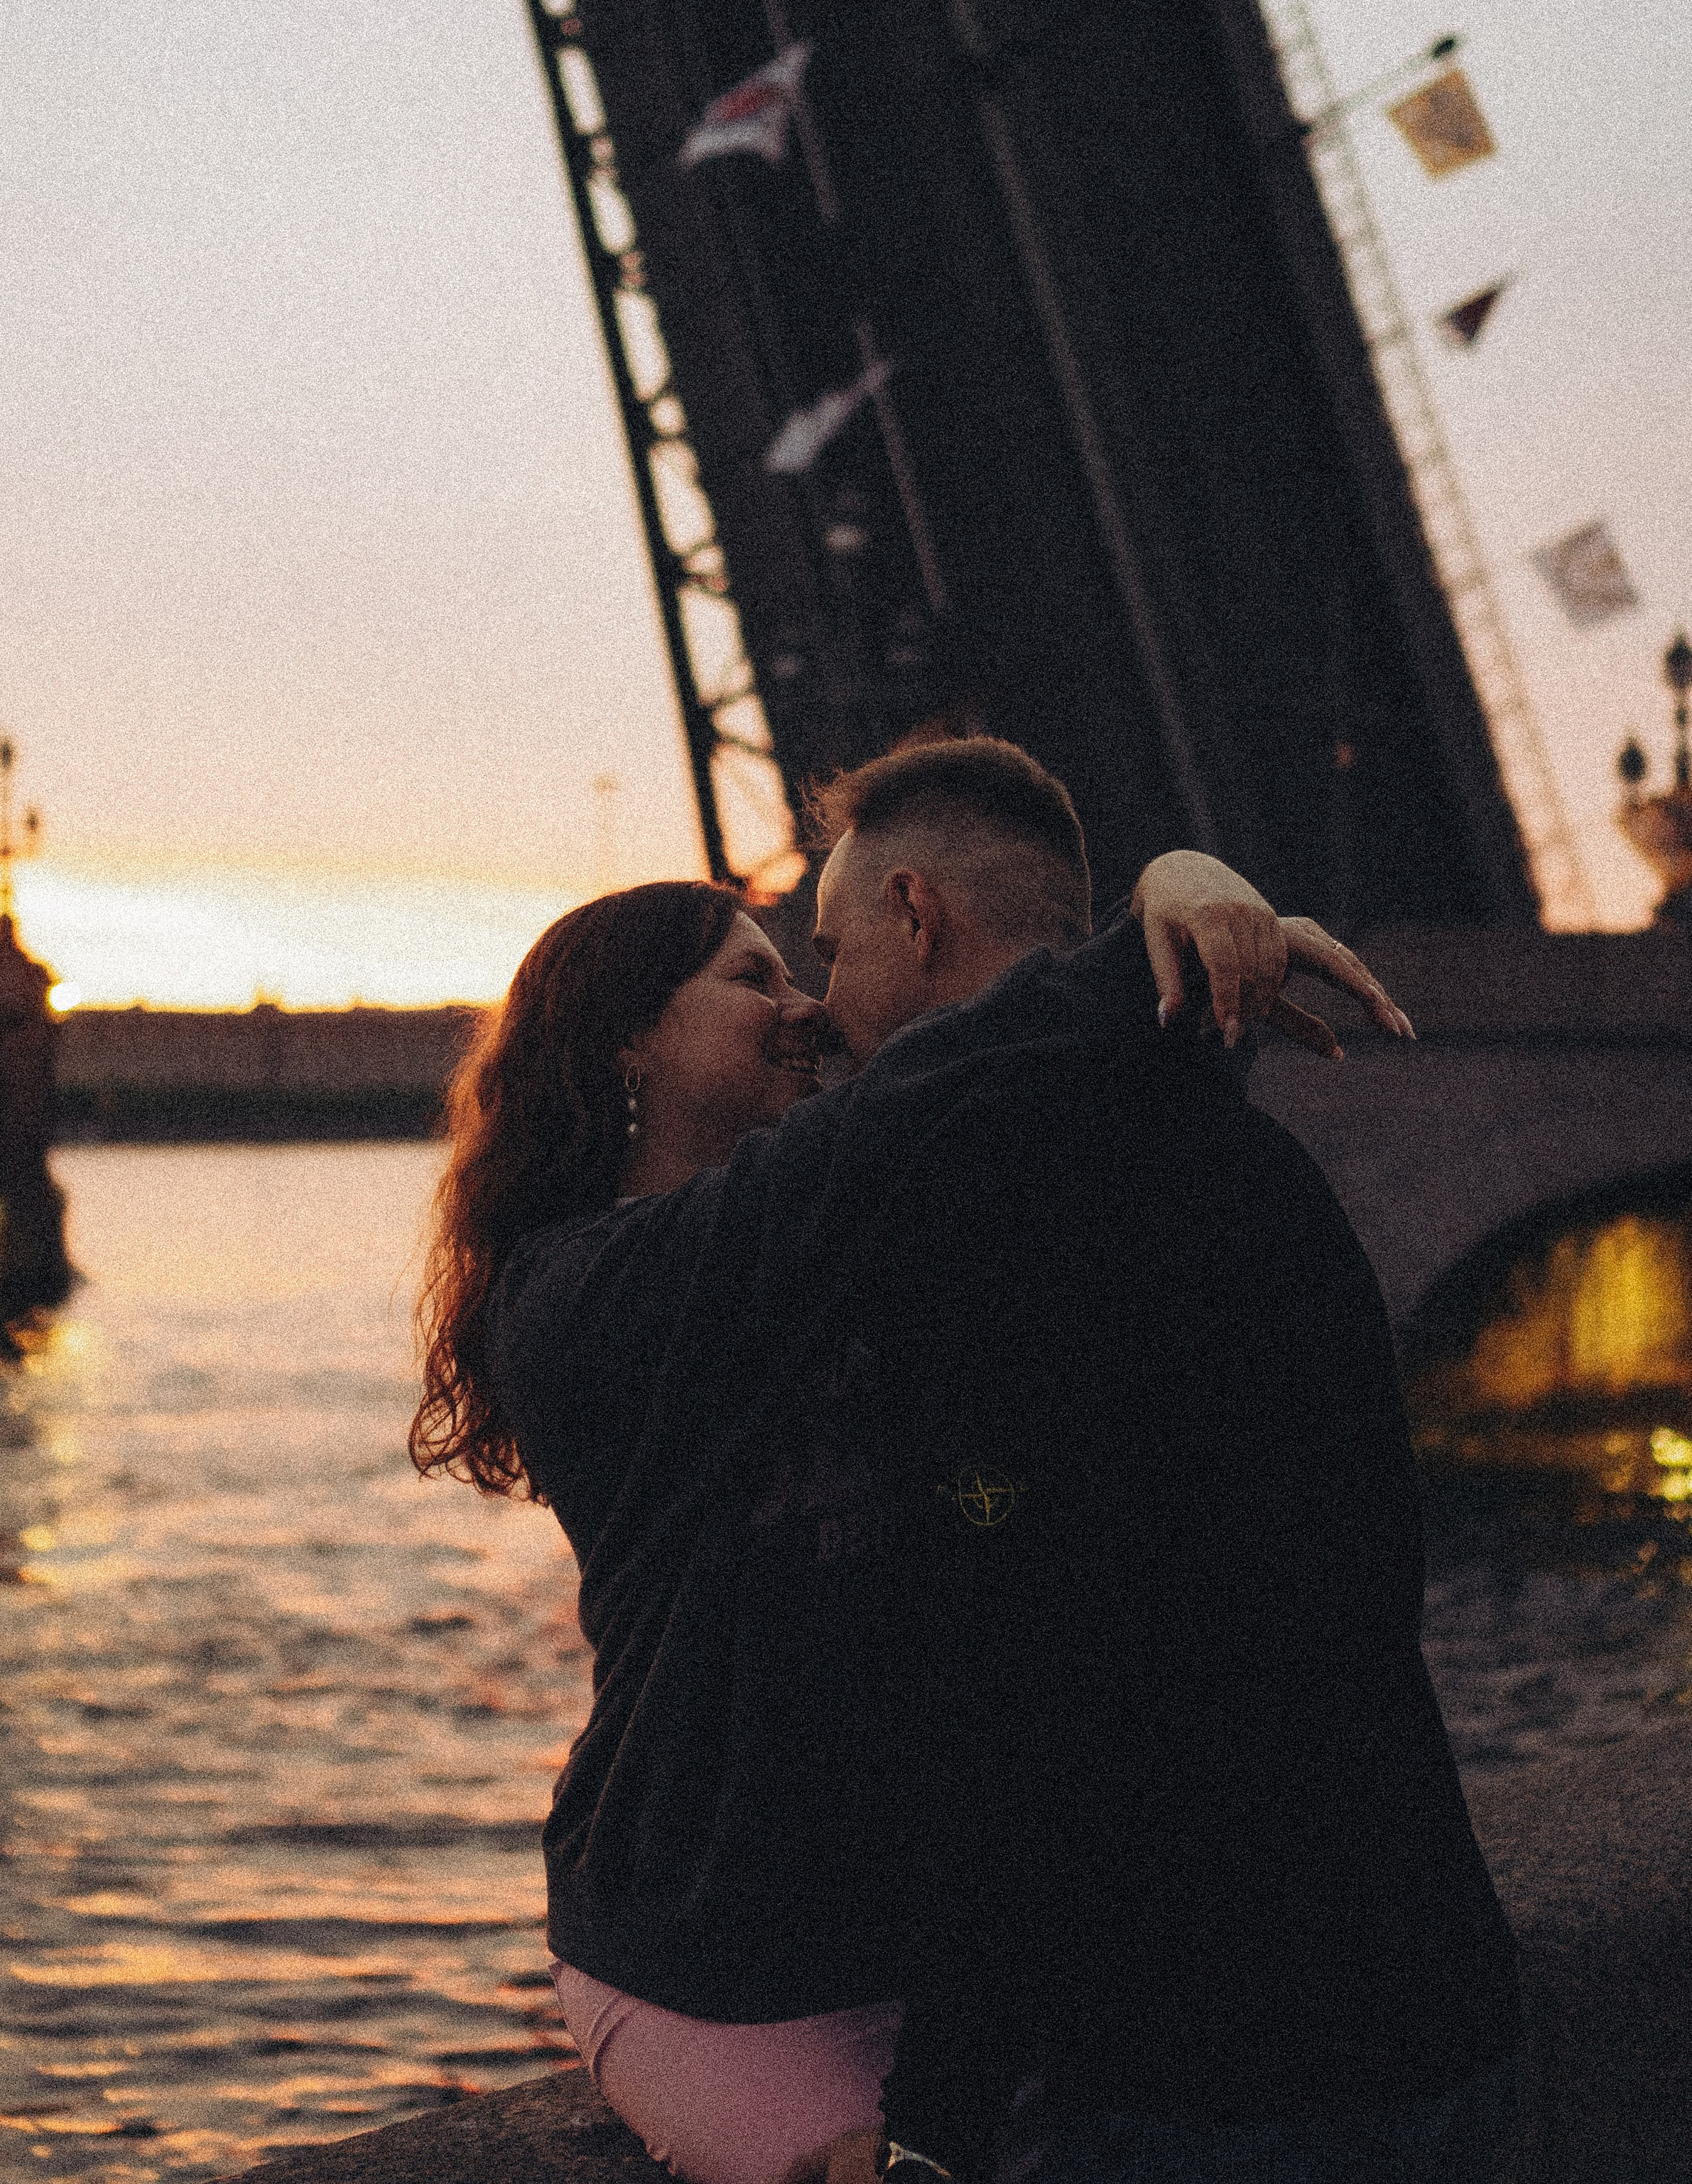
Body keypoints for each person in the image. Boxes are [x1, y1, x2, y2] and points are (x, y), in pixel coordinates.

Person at [413, 741, 1436, 2184]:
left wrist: (1188, 918)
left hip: (925, 1926)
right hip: (715, 1948)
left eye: (806, 963)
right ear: (624, 1041)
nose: (808, 1005)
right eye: (752, 977)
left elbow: (1038, 1138)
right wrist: (1137, 921)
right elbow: (917, 1105)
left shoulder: (847, 1215)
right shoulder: (586, 1295)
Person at [783, 749, 1523, 2184]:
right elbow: (1375, 1568)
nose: (817, 1001)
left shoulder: (967, 1193)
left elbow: (1007, 1679)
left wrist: (936, 2115)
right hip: (1437, 1999)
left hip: (1210, 2076)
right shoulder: (1250, 1158)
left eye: (830, 945)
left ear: (916, 912)